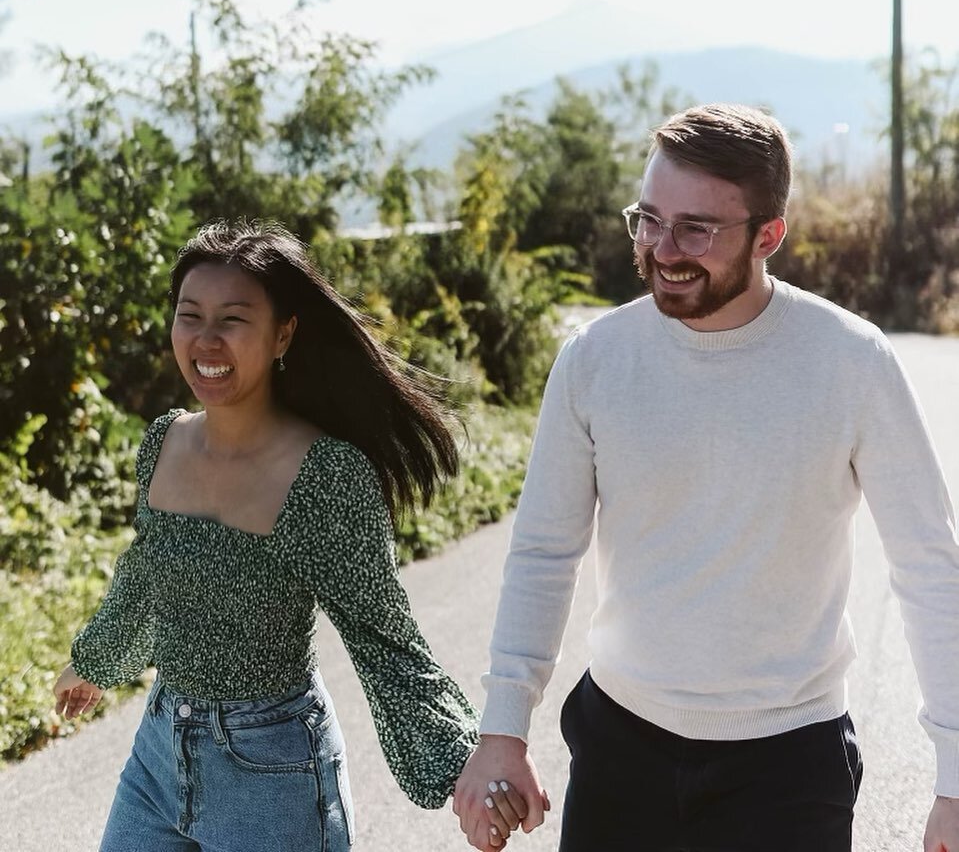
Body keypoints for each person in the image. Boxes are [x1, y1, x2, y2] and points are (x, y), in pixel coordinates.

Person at [453, 103, 959, 852]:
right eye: (648, 219)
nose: (662, 248)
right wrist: (503, 729)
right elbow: (542, 551)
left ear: (768, 235)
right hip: (620, 748)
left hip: (788, 765)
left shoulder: (851, 362)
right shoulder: (594, 358)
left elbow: (928, 569)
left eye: (696, 228)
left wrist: (953, 777)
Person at [54, 219, 513, 852]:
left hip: (272, 777)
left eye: (233, 320)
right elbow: (146, 575)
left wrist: (468, 767)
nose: (206, 340)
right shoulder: (165, 441)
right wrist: (93, 661)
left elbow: (386, 641)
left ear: (283, 334)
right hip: (159, 759)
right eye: (190, 316)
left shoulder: (325, 476)